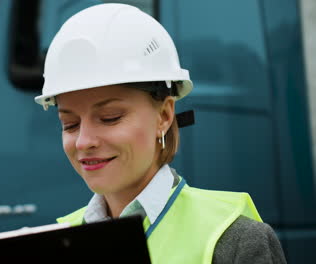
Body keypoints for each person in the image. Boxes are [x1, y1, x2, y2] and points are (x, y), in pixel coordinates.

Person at [34, 3, 286, 264]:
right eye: (70, 124)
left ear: (164, 116)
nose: (84, 141)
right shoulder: (58, 244)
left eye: (110, 118)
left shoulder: (235, 241)